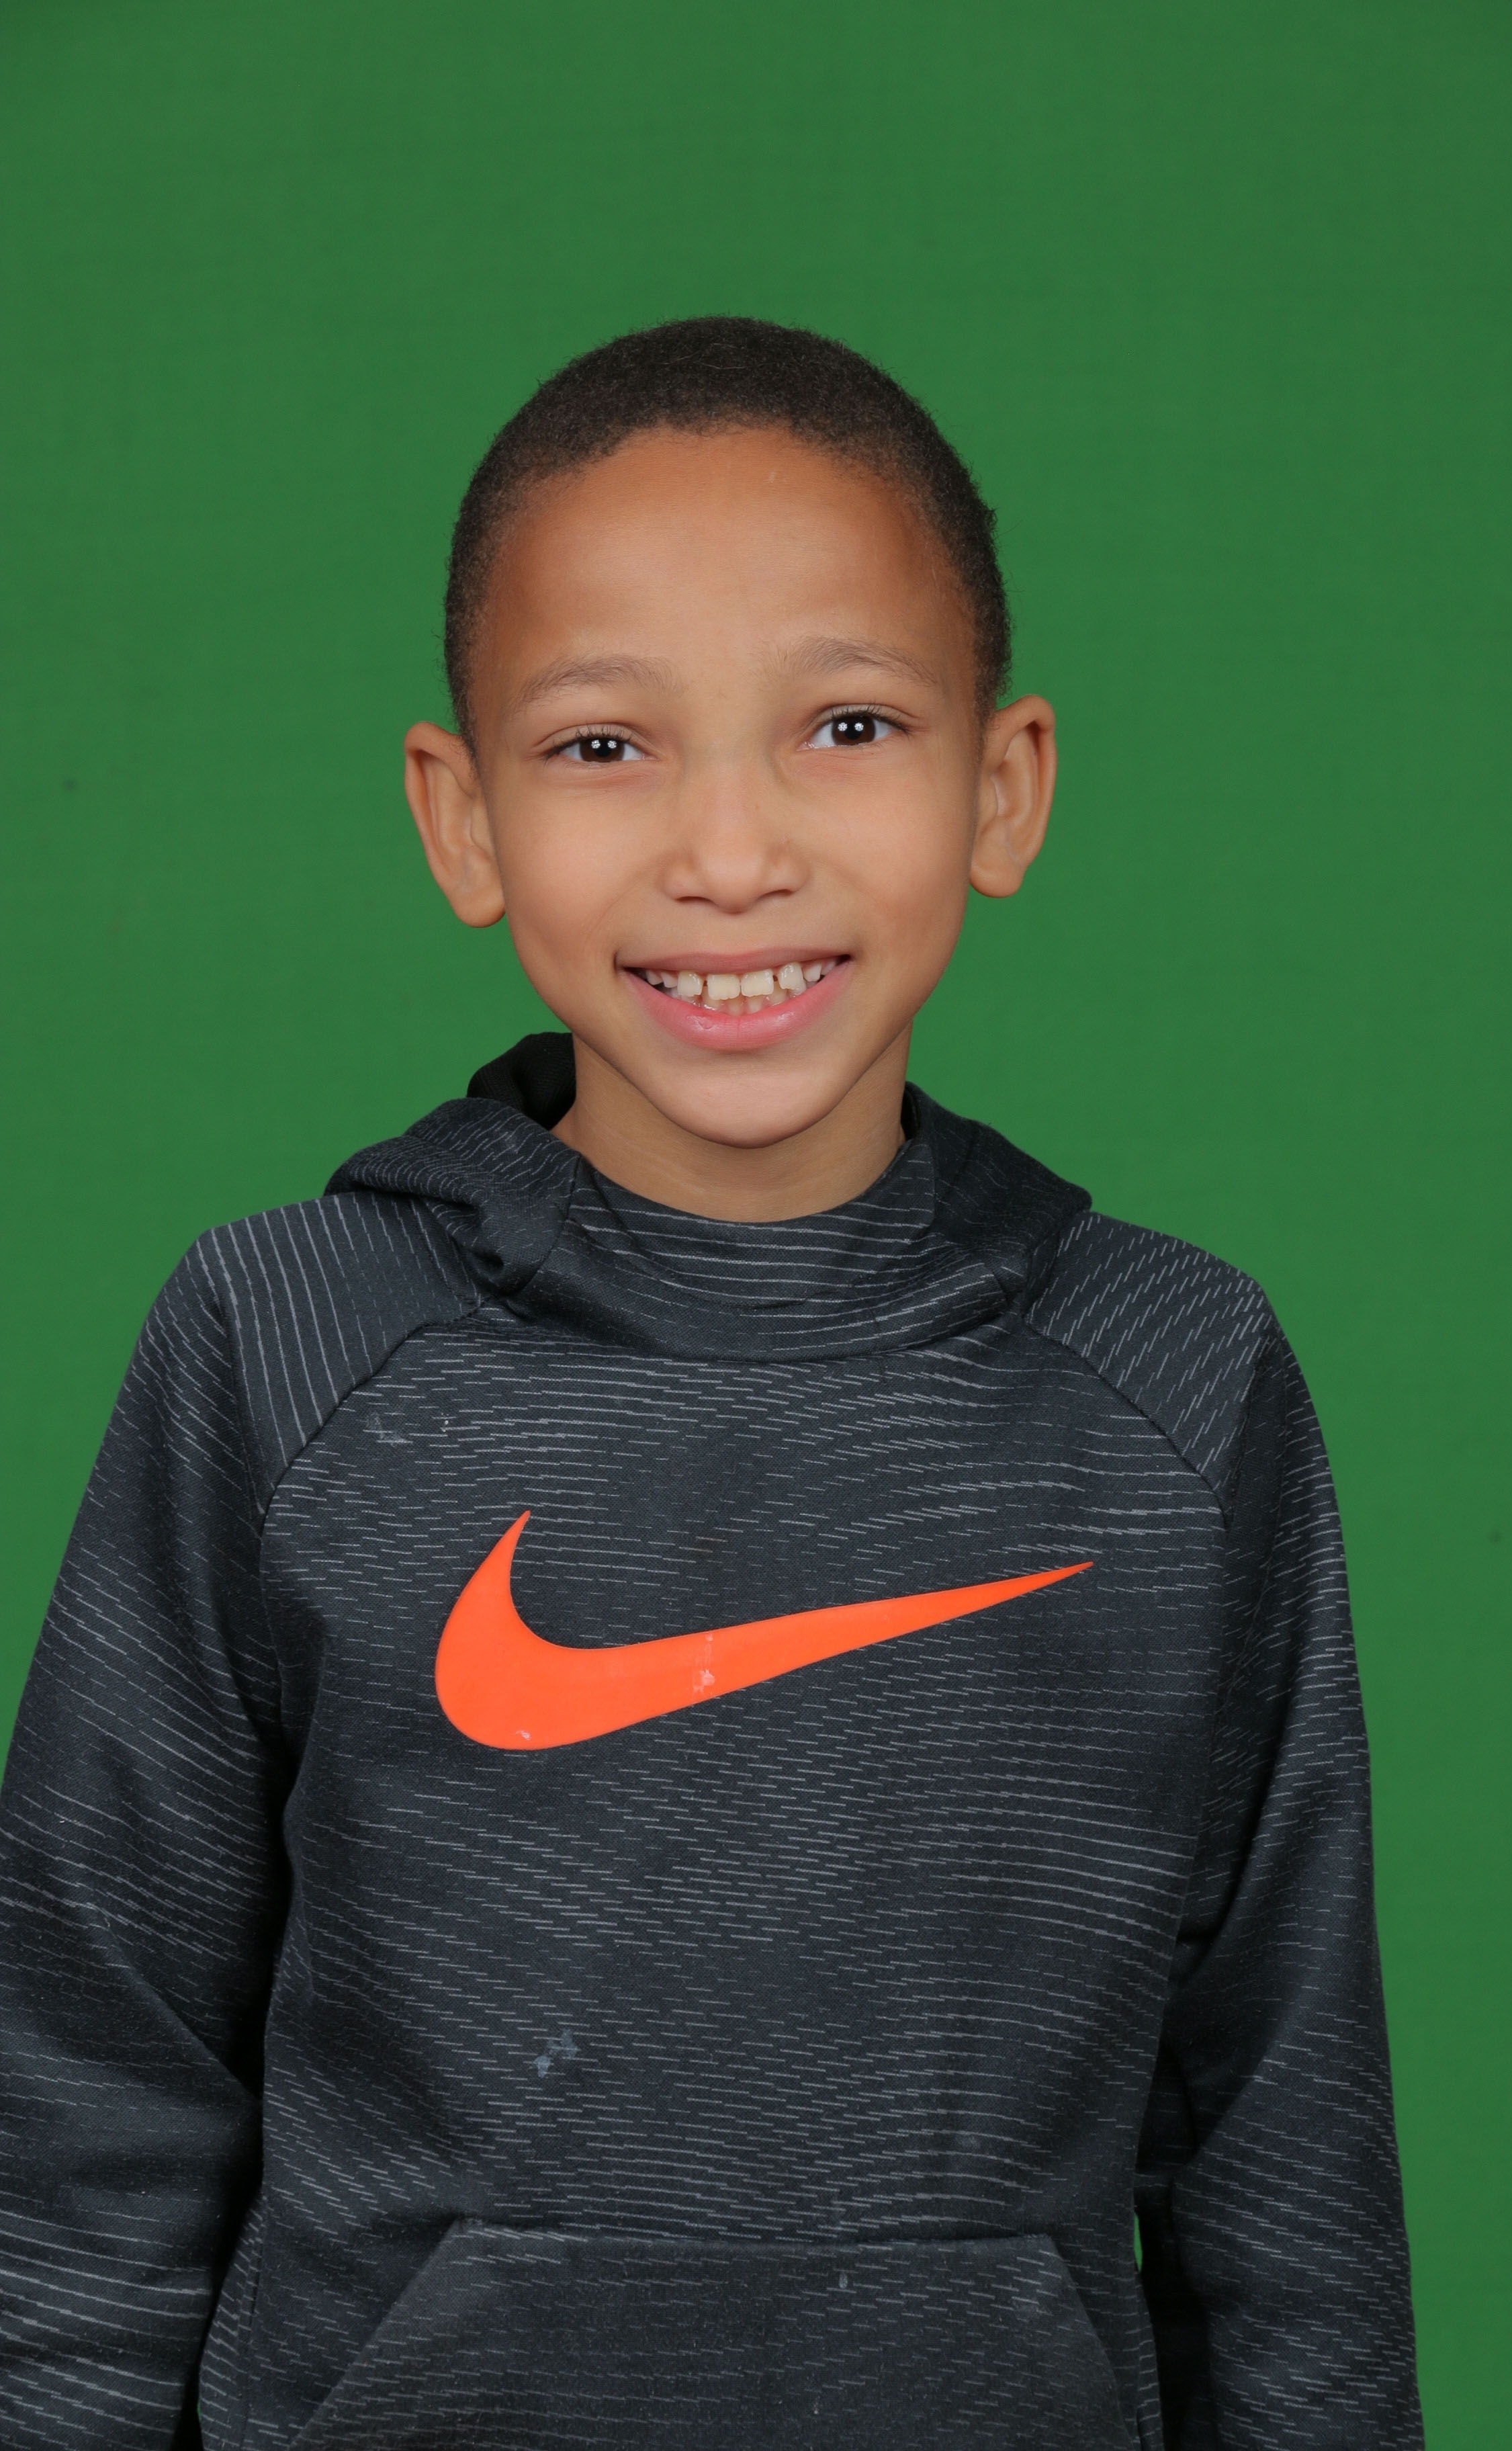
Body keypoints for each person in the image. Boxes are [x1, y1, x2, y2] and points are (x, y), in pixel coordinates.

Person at [0, 318, 1422, 2451]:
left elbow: (1281, 2151)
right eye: (604, 745)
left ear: (1002, 786)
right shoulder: (284, 1342)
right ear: (462, 818)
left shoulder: (1173, 1381)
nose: (732, 851)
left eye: (848, 725)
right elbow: (81, 2102)